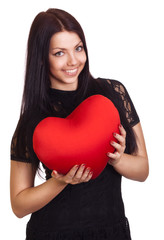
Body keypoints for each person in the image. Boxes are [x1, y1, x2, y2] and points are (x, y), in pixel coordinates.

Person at [10, 8, 149, 240]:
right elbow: (18, 205)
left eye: (78, 48)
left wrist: (117, 157)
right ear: (42, 58)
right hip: (52, 233)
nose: (73, 61)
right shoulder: (33, 119)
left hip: (110, 231)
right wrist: (60, 181)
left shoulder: (112, 93)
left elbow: (143, 170)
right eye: (59, 53)